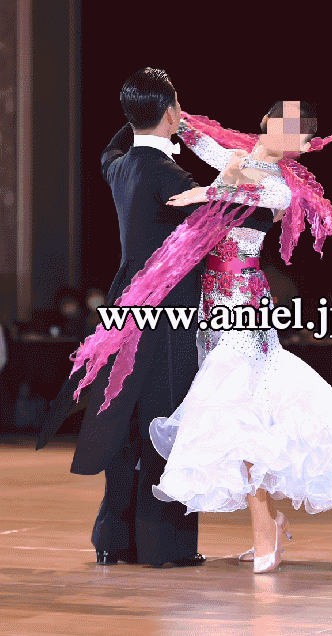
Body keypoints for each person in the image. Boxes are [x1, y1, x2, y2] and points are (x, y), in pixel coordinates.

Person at [142, 101, 332, 573]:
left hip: (245, 301)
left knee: (237, 413)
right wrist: (175, 112)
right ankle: (271, 523)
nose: (296, 139)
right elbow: (201, 142)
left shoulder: (280, 184)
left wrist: (204, 192)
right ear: (268, 123)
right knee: (243, 412)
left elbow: (255, 195)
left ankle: (265, 532)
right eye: (291, 127)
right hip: (212, 302)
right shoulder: (236, 159)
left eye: (304, 136)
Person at [37, 68, 230, 567]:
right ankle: (162, 545)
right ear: (171, 112)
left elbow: (112, 147)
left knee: (122, 419)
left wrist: (140, 112)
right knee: (164, 418)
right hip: (167, 312)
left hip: (125, 305)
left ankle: (114, 538)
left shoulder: (119, 167)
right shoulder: (170, 176)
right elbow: (224, 217)